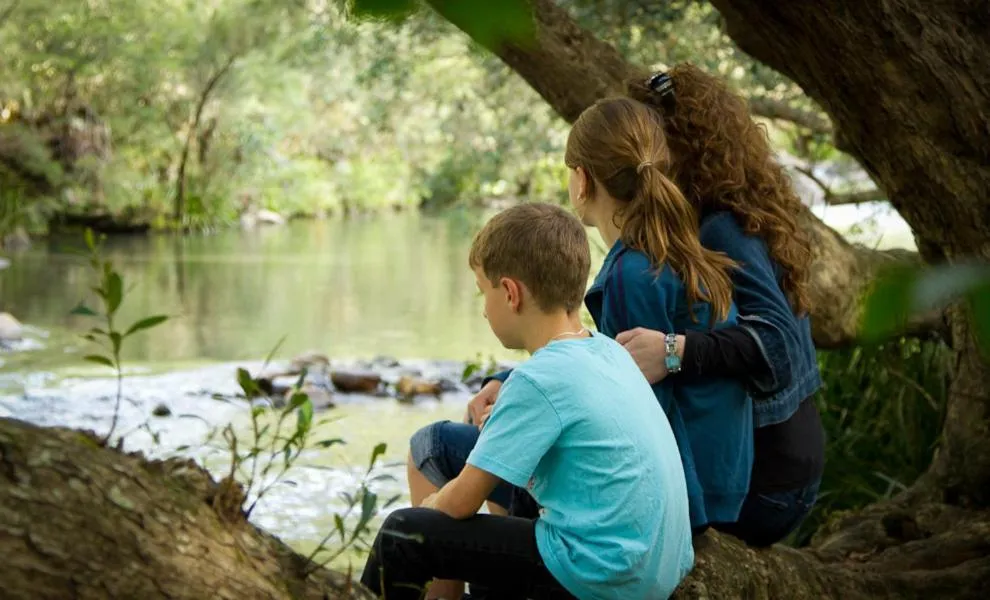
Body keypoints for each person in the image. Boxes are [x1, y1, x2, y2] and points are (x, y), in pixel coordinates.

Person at [408, 97, 755, 552]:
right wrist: (510, 383)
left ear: (582, 180)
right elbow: (603, 373)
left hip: (690, 497)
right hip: (722, 481)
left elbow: (631, 405)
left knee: (431, 446)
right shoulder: (673, 247)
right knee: (497, 432)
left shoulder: (635, 274)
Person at [361, 202, 694, 600]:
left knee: (402, 533)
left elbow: (460, 502)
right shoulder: (607, 351)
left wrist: (428, 505)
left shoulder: (538, 379)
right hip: (655, 570)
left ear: (511, 293)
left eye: (484, 292)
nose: (484, 310)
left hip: (601, 575)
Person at [618, 64, 826, 546]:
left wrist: (673, 351)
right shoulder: (720, 216)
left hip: (769, 486)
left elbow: (778, 345)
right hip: (783, 473)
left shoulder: (722, 228)